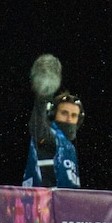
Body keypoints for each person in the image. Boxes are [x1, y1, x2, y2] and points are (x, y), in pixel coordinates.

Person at [22, 54, 84, 189]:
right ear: (53, 114)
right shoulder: (49, 138)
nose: (69, 119)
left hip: (67, 202)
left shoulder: (69, 147)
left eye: (74, 115)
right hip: (43, 202)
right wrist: (43, 96)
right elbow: (38, 128)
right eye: (64, 113)